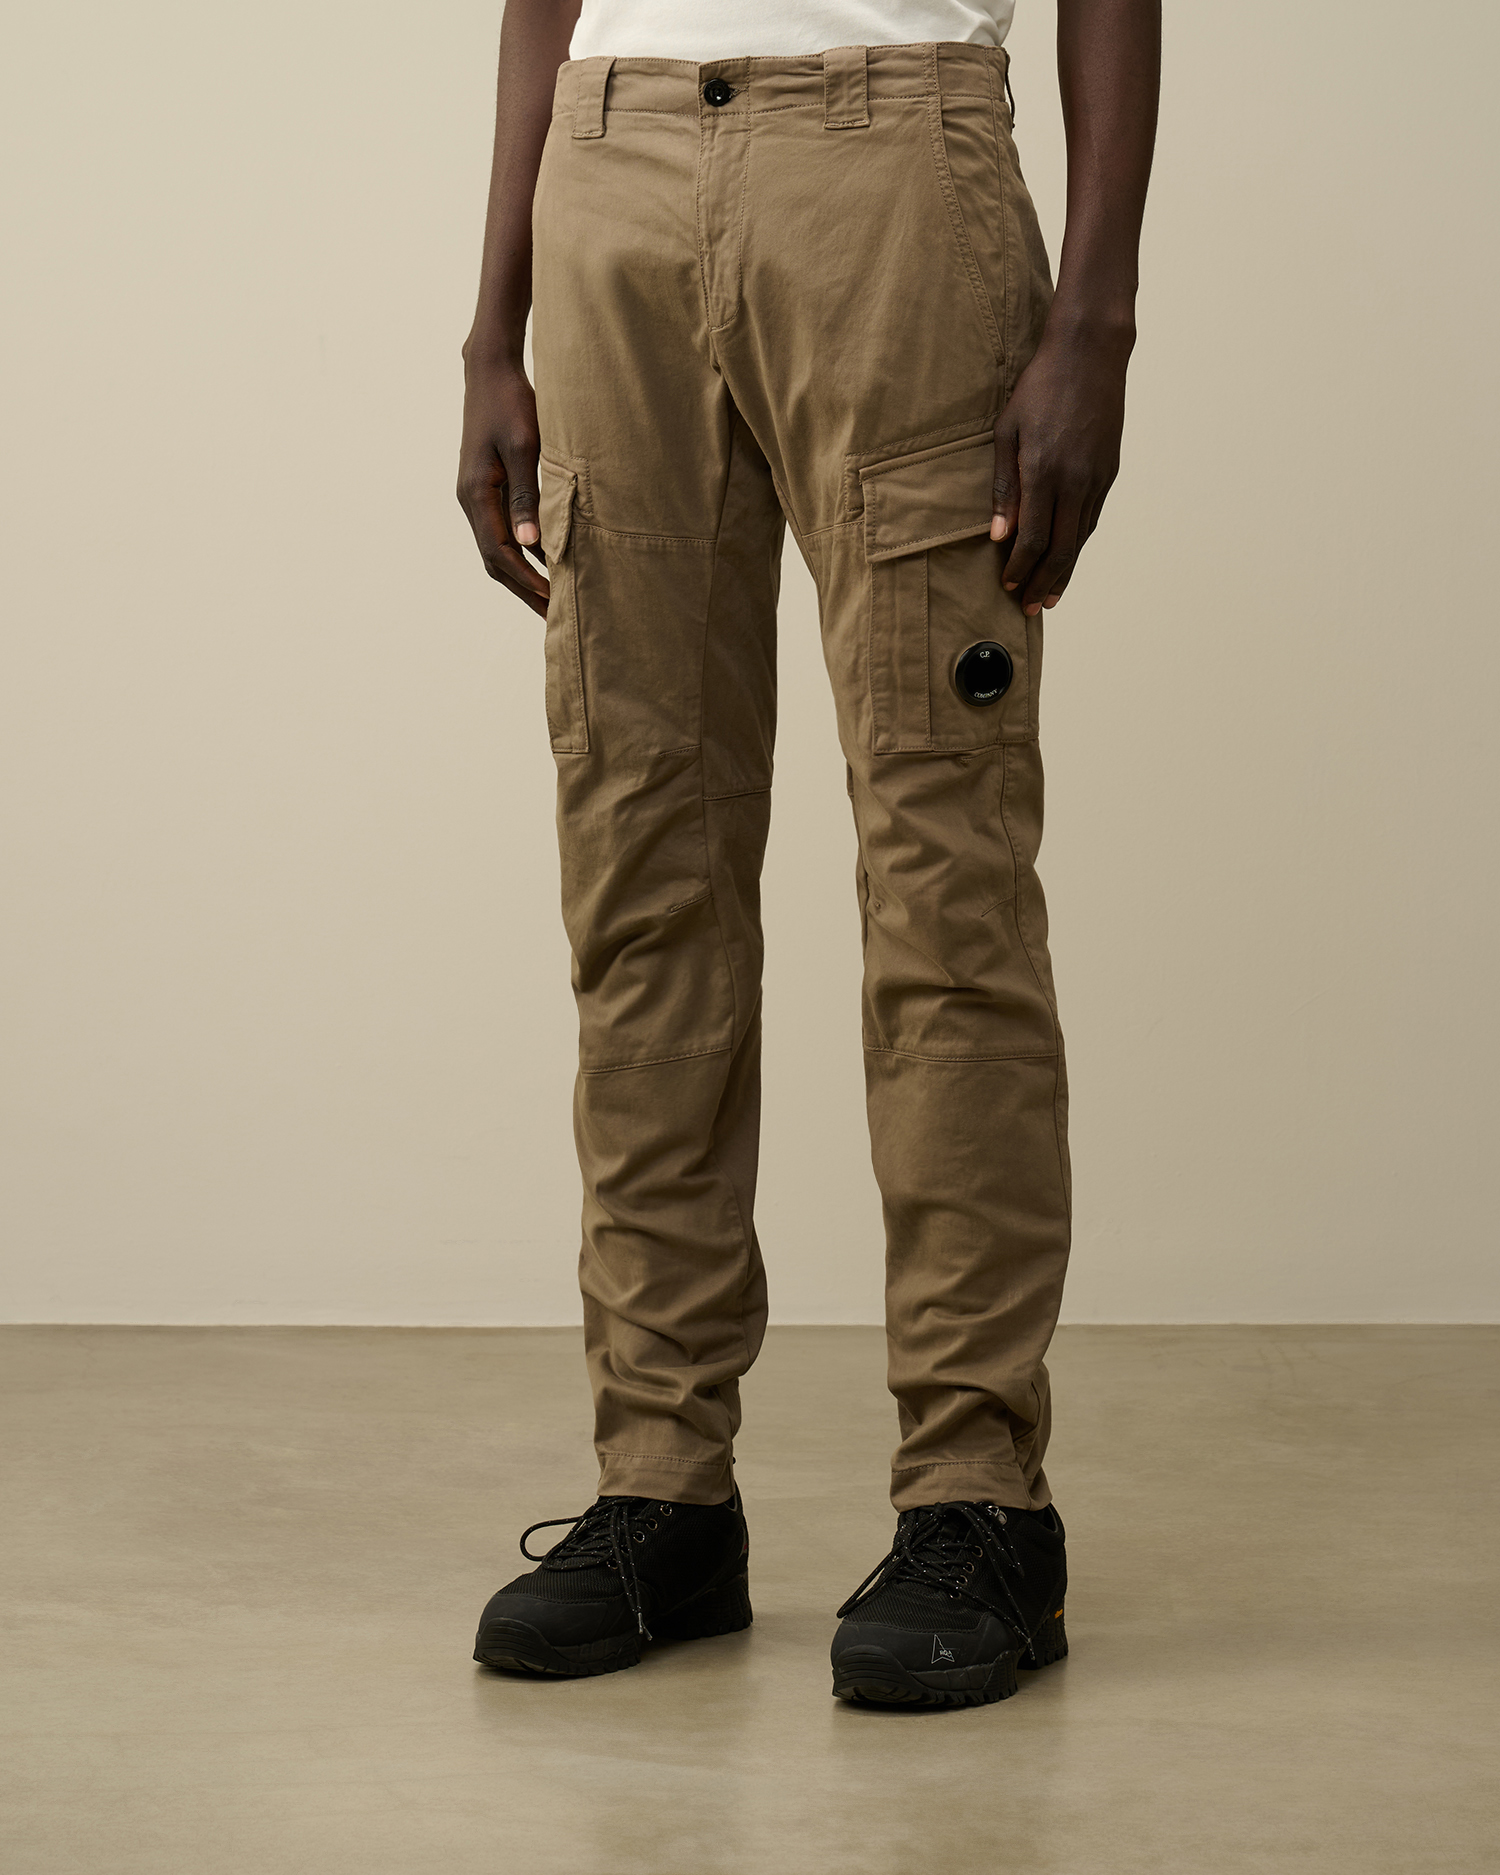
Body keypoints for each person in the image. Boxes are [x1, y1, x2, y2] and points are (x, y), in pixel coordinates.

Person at [458, 0, 1158, 1708]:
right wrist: (492, 326)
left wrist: (1096, 318)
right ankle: (663, 1486)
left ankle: (980, 1498)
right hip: (608, 166)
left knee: (943, 876)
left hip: (896, 174)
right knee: (640, 869)